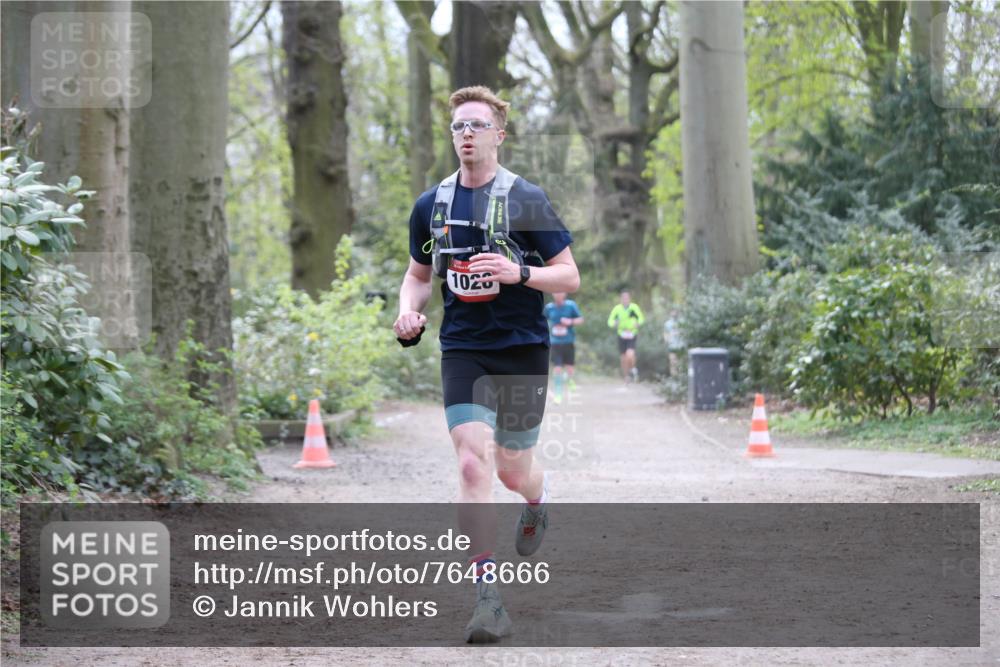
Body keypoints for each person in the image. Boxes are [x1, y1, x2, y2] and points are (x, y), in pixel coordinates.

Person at [393, 86, 579, 643]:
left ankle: (536, 500)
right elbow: (418, 277)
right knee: (473, 465)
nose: (466, 134)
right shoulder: (432, 205)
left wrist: (519, 274)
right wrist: (408, 314)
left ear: (499, 134)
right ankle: (488, 599)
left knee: (510, 469)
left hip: (522, 347)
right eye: (457, 127)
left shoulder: (527, 199)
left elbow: (568, 277)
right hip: (465, 349)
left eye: (476, 125)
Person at [543, 292, 583, 404]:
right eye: (556, 292)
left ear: (564, 294)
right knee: (557, 369)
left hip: (568, 342)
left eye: (560, 292)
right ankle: (558, 395)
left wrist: (570, 321)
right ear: (553, 294)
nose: (558, 295)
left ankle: (570, 380)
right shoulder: (549, 308)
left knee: (569, 368)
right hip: (555, 342)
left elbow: (580, 319)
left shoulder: (571, 305)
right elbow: (541, 320)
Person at [607, 290, 645, 383]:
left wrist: (638, 323)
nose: (625, 300)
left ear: (629, 299)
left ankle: (633, 368)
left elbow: (641, 318)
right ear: (621, 299)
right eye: (623, 298)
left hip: (632, 334)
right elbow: (610, 322)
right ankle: (626, 376)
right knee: (623, 358)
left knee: (630, 354)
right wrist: (614, 323)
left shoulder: (634, 308)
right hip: (621, 334)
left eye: (627, 298)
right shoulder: (617, 309)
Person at [662, 308, 684, 378]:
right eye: (672, 312)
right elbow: (665, 334)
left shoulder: (682, 322)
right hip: (672, 346)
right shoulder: (667, 323)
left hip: (681, 346)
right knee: (673, 363)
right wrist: (667, 340)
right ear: (670, 313)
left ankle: (681, 379)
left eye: (675, 311)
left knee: (681, 363)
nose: (674, 313)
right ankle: (674, 379)